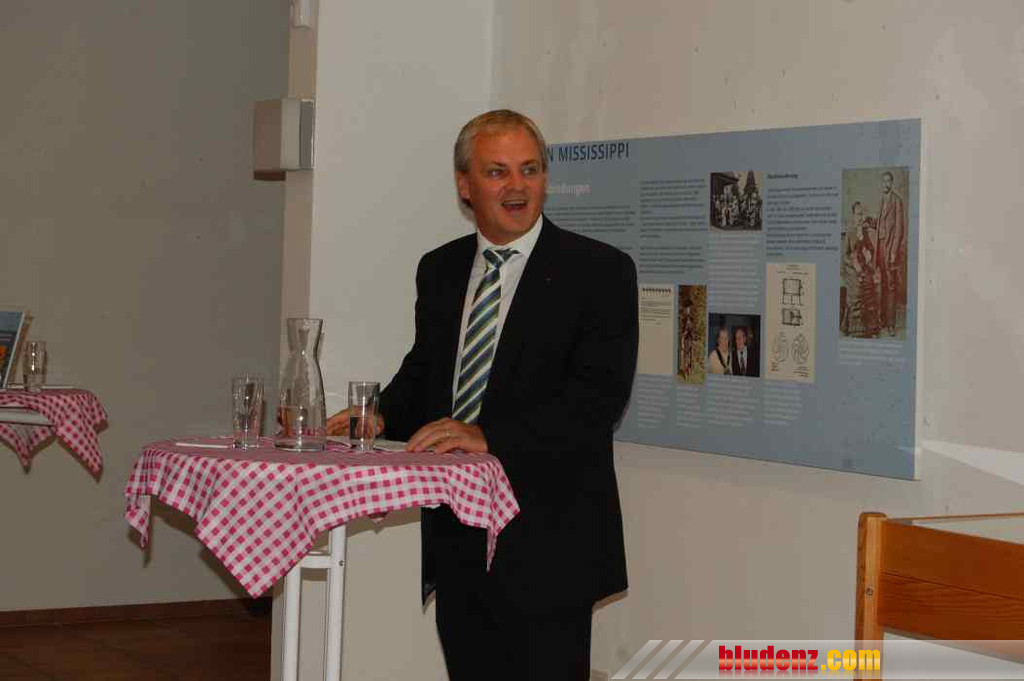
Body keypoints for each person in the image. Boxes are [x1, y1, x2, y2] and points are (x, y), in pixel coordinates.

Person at [326, 109, 638, 681]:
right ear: (464, 186)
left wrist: (488, 436)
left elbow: (596, 401)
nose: (517, 186)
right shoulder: (440, 269)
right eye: (497, 172)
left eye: (530, 169)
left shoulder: (600, 271)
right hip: (458, 537)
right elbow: (427, 371)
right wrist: (380, 416)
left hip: (549, 542)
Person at [876, 170, 906, 335]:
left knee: (891, 285)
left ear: (892, 183)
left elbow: (899, 230)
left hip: (889, 249)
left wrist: (893, 251)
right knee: (882, 284)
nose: (885, 184)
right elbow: (880, 223)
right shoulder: (881, 199)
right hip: (880, 247)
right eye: (883, 181)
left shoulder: (897, 201)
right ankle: (882, 320)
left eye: (888, 181)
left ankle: (891, 324)